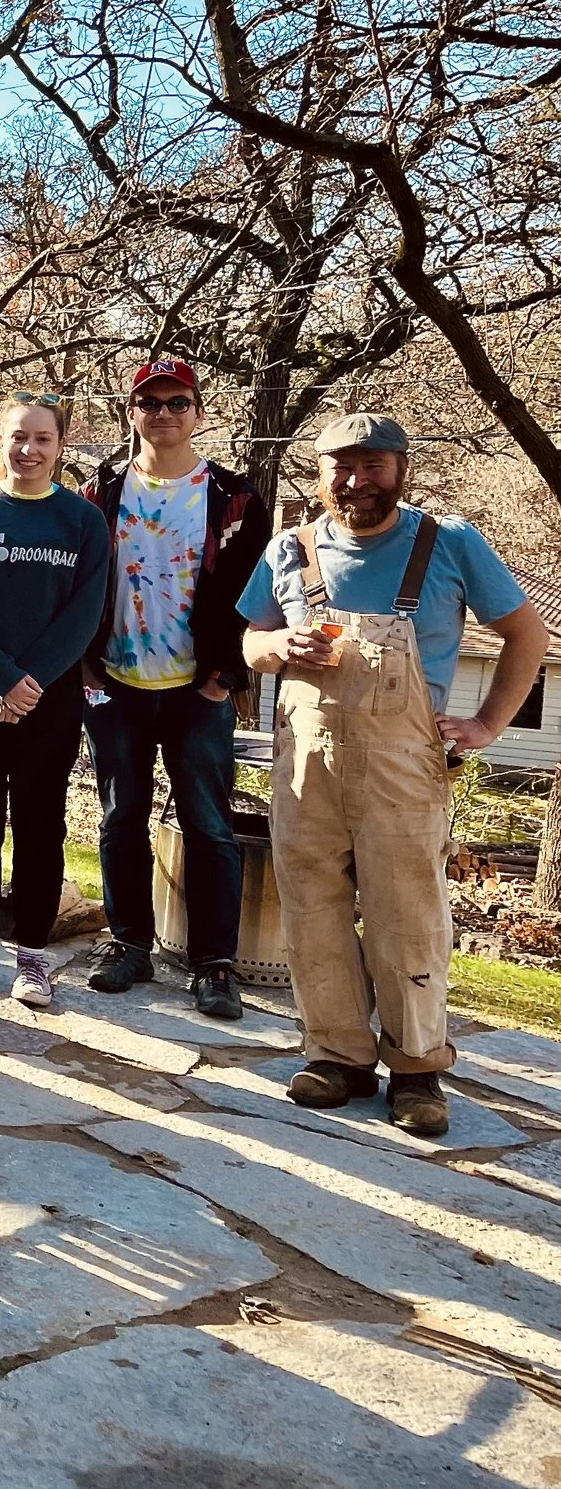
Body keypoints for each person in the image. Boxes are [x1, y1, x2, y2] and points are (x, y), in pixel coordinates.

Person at [239, 412, 547, 1138]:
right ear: (319, 472)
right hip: (305, 768)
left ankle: (415, 1067)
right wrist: (279, 642)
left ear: (400, 467)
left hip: (404, 770)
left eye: (372, 464)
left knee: (407, 916)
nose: (355, 480)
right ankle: (336, 1055)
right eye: (340, 466)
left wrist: (487, 726)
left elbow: (527, 636)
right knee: (312, 909)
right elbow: (249, 640)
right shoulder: (292, 547)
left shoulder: (449, 543)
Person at [79, 358, 272, 1021]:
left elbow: (254, 593)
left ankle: (214, 964)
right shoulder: (98, 491)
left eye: (176, 401)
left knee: (209, 825)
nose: (163, 413)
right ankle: (127, 942)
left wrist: (227, 676)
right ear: (131, 411)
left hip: (200, 689)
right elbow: (80, 582)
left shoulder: (234, 496)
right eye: (149, 402)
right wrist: (85, 662)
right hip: (116, 685)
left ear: (198, 410)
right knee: (120, 819)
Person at [0, 395, 111, 1011]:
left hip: (49, 694)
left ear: (60, 446)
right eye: (17, 437)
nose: (28, 450)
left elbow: (84, 612)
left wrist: (27, 681)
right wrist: (3, 678)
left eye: (42, 439)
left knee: (40, 820)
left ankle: (33, 952)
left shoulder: (81, 521)